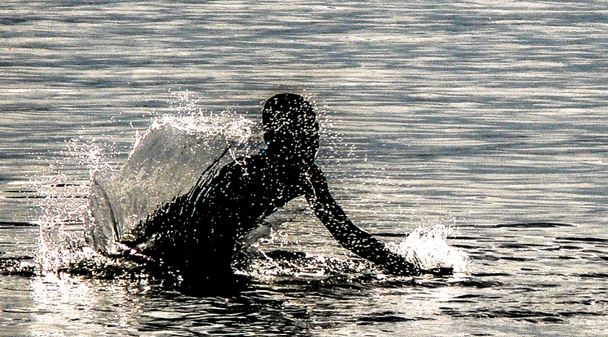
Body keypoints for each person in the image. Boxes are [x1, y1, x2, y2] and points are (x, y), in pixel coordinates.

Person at [124, 93, 418, 282]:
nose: (313, 139)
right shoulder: (257, 172)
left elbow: (344, 232)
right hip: (188, 245)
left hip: (195, 246)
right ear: (279, 136)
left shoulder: (300, 175)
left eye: (313, 130)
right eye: (305, 131)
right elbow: (216, 220)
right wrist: (223, 275)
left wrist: (400, 267)